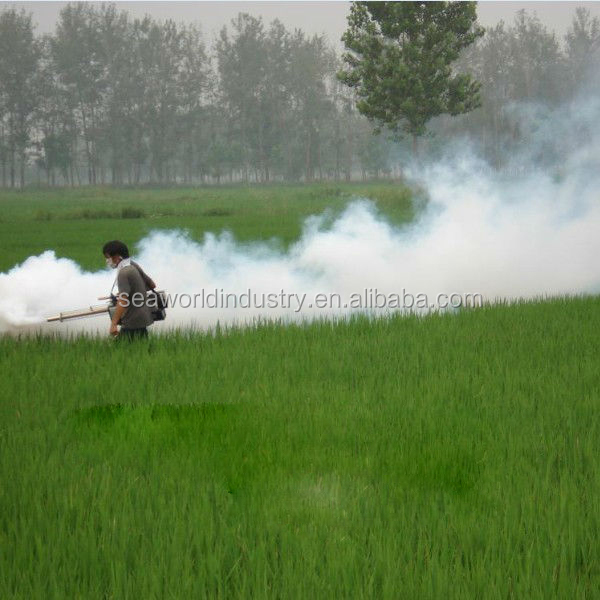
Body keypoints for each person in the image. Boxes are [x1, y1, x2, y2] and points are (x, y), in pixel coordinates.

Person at [102, 240, 156, 340]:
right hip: (143, 317)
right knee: (142, 350)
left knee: (119, 352)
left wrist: (113, 324)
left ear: (117, 256)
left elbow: (123, 301)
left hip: (132, 320)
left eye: (108, 258)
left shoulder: (123, 273)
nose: (107, 261)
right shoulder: (133, 264)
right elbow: (152, 285)